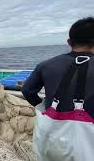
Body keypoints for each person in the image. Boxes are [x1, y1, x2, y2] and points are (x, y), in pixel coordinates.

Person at [22, 17, 94, 161]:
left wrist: (46, 106)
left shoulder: (45, 65)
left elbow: (27, 91)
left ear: (69, 42)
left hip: (51, 137)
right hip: (87, 143)